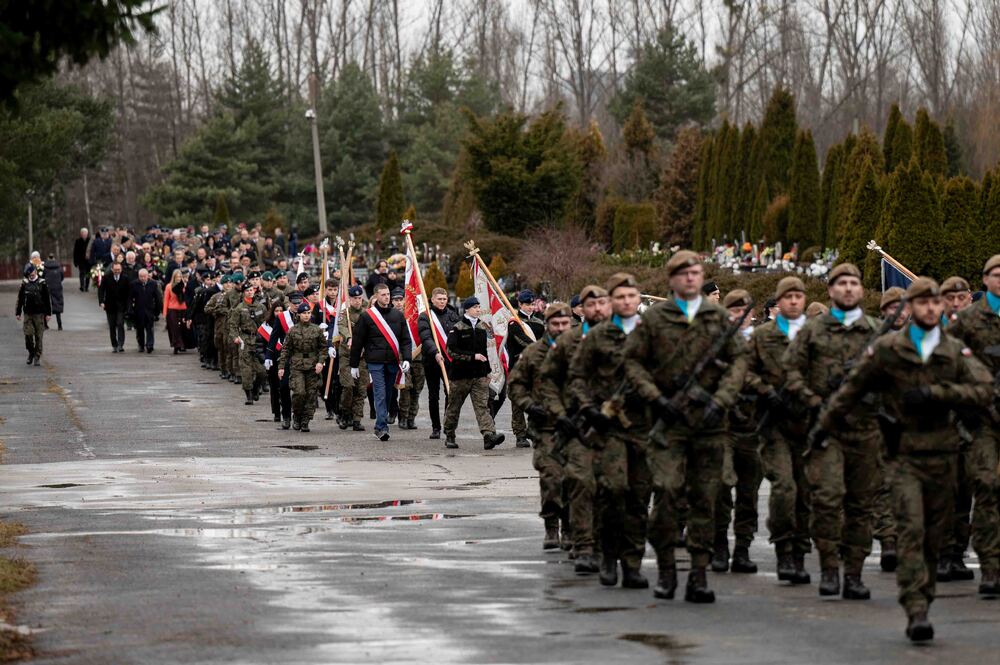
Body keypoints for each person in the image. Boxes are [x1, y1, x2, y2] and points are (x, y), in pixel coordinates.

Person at [817, 277, 992, 642]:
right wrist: (823, 427)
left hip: (943, 456)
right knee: (911, 530)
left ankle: (924, 595)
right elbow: (851, 390)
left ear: (941, 308)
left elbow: (982, 389)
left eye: (934, 303)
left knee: (933, 537)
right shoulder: (888, 349)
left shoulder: (954, 350)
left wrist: (937, 393)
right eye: (922, 303)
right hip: (904, 456)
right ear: (910, 307)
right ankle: (916, 608)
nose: (929, 308)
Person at [624, 254, 747, 603]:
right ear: (672, 279)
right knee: (666, 494)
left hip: (709, 424)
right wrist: (655, 396)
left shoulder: (717, 317)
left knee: (705, 500)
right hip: (668, 424)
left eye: (696, 273)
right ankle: (666, 569)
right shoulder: (655, 318)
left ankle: (698, 574)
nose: (691, 278)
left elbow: (739, 359)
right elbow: (632, 361)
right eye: (684, 273)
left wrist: (722, 399)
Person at [784, 263, 882, 600]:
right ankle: (829, 568)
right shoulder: (812, 331)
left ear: (861, 290)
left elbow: (894, 375)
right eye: (841, 283)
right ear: (830, 290)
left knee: (861, 505)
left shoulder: (876, 331)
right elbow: (791, 372)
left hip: (865, 430)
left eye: (854, 283)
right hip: (827, 430)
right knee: (826, 500)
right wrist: (813, 402)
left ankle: (853, 573)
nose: (848, 288)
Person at [572, 272, 654, 592]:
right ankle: (608, 556)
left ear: (638, 298)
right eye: (619, 297)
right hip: (610, 428)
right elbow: (578, 376)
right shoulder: (598, 336)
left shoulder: (651, 333)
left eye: (631, 296)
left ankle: (632, 564)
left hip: (644, 426)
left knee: (639, 497)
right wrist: (589, 408)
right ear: (612, 301)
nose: (626, 302)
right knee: (613, 491)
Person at [536, 285, 610, 572]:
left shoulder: (624, 337)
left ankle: (606, 545)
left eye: (602, 303)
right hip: (573, 426)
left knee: (612, 488)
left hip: (614, 426)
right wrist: (555, 412)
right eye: (590, 304)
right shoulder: (567, 343)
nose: (597, 309)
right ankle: (580, 543)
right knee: (575, 482)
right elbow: (546, 382)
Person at [746, 276, 812, 584]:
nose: (794, 301)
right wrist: (765, 391)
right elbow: (745, 371)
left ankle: (799, 552)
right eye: (788, 297)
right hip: (774, 426)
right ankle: (784, 549)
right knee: (784, 488)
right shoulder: (762, 335)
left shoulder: (815, 334)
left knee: (805, 493)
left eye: (799, 296)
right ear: (779, 301)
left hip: (808, 424)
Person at [944, 254, 1000, 598]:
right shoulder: (967, 320)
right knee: (987, 487)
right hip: (981, 419)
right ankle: (991, 568)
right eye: (997, 274)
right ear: (985, 280)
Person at [508, 302, 573, 549]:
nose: (561, 328)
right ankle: (551, 527)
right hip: (545, 427)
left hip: (575, 427)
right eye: (555, 324)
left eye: (565, 323)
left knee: (574, 481)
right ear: (547, 325)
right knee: (551, 478)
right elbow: (515, 385)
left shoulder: (582, 350)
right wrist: (530, 406)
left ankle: (570, 528)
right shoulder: (533, 353)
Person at [712, 289, 762, 575]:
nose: (740, 316)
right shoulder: (716, 343)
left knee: (749, 492)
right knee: (721, 485)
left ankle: (742, 548)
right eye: (734, 310)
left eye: (745, 310)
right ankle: (719, 543)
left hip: (752, 425)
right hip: (722, 426)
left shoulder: (760, 342)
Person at [936, 275, 976, 582]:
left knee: (966, 490)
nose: (956, 303)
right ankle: (942, 553)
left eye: (962, 298)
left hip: (973, 421)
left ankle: (958, 553)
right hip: (940, 423)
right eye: (950, 298)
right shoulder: (929, 332)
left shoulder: (981, 332)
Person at [349, 283, 411, 441]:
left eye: (388, 294)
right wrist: (354, 365)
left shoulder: (398, 316)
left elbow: (405, 339)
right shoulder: (367, 316)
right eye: (383, 294)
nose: (387, 297)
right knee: (380, 393)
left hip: (392, 361)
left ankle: (381, 423)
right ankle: (381, 427)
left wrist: (407, 358)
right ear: (376, 296)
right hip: (375, 362)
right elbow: (357, 342)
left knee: (389, 394)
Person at [443, 296, 505, 450]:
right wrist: (472, 357)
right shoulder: (457, 328)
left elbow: (485, 352)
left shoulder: (482, 327)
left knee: (482, 406)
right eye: (475, 307)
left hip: (479, 375)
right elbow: (451, 350)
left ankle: (489, 436)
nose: (478, 310)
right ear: (467, 309)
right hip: (460, 376)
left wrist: (488, 371)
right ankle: (450, 435)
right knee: (454, 407)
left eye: (479, 307)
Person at [278, 302, 328, 432]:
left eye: (308, 313)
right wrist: (281, 366)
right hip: (297, 366)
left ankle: (306, 420)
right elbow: (286, 349)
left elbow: (323, 348)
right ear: (299, 315)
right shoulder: (293, 330)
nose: (306, 315)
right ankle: (297, 416)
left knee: (311, 395)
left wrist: (320, 362)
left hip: (312, 366)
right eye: (304, 313)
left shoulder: (316, 330)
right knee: (299, 393)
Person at [418, 287, 460, 439]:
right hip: (432, 360)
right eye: (439, 299)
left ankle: (448, 425)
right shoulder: (425, 316)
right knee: (433, 395)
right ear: (432, 300)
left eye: (444, 299)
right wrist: (435, 352)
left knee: (450, 393)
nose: (442, 302)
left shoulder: (453, 315)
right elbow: (425, 337)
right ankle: (436, 427)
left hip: (450, 360)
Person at [506, 290, 546, 448]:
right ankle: (520, 434)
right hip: (518, 366)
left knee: (537, 399)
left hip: (535, 367)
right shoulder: (514, 322)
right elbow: (521, 340)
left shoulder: (539, 322)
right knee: (517, 402)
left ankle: (533, 429)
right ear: (520, 304)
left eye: (532, 304)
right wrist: (539, 348)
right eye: (527, 304)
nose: (530, 307)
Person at [230, 282, 268, 405]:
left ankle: (256, 388)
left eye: (251, 290)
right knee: (246, 370)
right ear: (243, 293)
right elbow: (233, 325)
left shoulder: (261, 307)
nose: (250, 292)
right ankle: (249, 395)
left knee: (262, 371)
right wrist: (235, 337)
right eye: (247, 290)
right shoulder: (239, 308)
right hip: (245, 340)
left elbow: (266, 323)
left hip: (258, 341)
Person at [338, 286, 369, 431]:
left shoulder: (367, 314)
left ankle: (357, 419)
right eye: (354, 298)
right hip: (347, 356)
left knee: (361, 389)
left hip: (362, 357)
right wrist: (349, 337)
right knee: (348, 386)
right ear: (349, 299)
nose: (357, 301)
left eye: (359, 298)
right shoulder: (345, 313)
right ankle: (345, 414)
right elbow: (342, 327)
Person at [393, 288, 425, 430]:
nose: (399, 303)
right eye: (396, 300)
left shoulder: (416, 315)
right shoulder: (392, 316)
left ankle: (412, 418)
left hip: (418, 357)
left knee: (417, 389)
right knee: (405, 388)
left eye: (401, 299)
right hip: (402, 356)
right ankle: (403, 417)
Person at [264, 302, 293, 428]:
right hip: (275, 360)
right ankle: (277, 412)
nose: (279, 313)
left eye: (281, 310)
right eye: (276, 311)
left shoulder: (290, 321)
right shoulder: (267, 325)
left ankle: (293, 414)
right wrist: (267, 357)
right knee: (277, 387)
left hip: (288, 359)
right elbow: (268, 342)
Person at [15, 265, 51, 366]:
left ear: (35, 271)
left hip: (39, 314)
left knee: (39, 336)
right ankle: (31, 352)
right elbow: (20, 298)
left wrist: (48, 313)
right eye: (29, 273)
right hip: (28, 314)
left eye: (32, 272)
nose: (31, 275)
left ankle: (37, 356)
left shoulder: (42, 283)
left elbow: (47, 299)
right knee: (28, 335)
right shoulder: (24, 283)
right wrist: (18, 312)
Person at [128, 268, 162, 353]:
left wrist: (157, 311)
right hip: (138, 310)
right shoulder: (134, 284)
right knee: (140, 329)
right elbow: (130, 298)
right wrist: (130, 309)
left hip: (150, 310)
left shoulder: (153, 284)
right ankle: (141, 344)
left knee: (150, 328)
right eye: (141, 276)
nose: (143, 278)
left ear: (148, 276)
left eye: (144, 276)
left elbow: (158, 298)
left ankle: (150, 345)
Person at [98, 261, 131, 352]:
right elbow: (101, 290)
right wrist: (101, 301)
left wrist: (128, 304)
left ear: (121, 269)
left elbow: (128, 293)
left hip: (121, 306)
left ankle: (120, 344)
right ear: (112, 269)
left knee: (120, 324)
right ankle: (114, 345)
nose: (117, 271)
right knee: (112, 326)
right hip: (110, 305)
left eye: (118, 270)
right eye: (115, 270)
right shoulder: (106, 277)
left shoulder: (125, 278)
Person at [164, 269, 189, 354]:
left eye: (180, 277)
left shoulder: (184, 286)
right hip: (172, 309)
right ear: (174, 277)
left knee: (182, 328)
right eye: (177, 277)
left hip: (183, 309)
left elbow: (187, 298)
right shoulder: (169, 286)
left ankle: (182, 344)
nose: (178, 278)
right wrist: (165, 312)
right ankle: (176, 345)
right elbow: (166, 300)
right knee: (174, 328)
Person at [43, 254, 65, 330]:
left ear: (48, 258)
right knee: (57, 304)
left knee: (46, 304)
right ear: (54, 258)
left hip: (47, 288)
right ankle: (59, 325)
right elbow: (62, 277)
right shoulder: (59, 267)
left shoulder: (45, 267)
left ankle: (45, 324)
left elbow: (42, 277)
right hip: (57, 287)